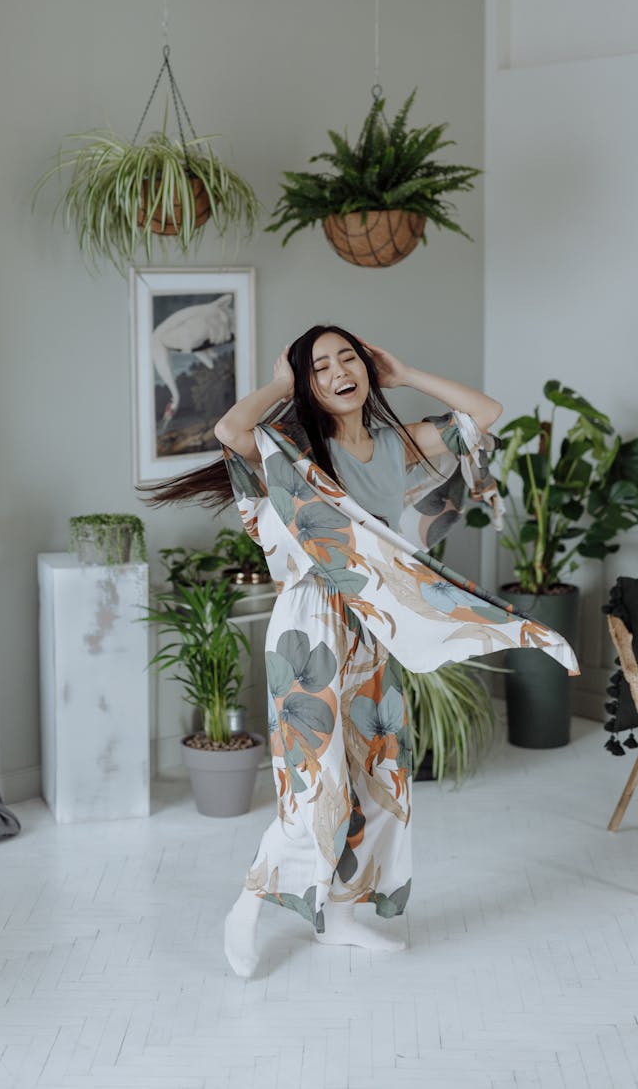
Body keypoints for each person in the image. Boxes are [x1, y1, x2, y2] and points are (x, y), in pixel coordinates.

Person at [148, 324, 578, 978]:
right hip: (310, 621)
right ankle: (248, 906)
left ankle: (341, 919)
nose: (339, 371)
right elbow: (233, 431)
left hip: (376, 622)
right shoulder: (293, 452)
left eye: (348, 356)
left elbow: (484, 416)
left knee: (380, 778)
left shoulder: (394, 447)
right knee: (312, 785)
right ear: (306, 386)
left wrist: (404, 372)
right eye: (319, 367)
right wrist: (278, 383)